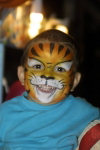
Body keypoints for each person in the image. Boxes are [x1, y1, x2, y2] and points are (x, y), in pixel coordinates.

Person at [0, 29, 100, 150]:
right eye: (37, 66)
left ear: (74, 81)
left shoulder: (80, 110)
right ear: (22, 74)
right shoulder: (5, 113)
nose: (47, 75)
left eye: (60, 69)